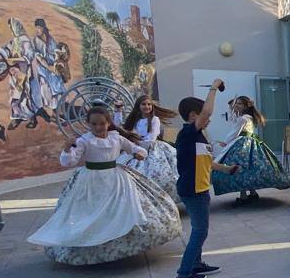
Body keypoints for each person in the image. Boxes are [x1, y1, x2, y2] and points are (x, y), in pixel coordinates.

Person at [27, 105, 181, 265]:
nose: (98, 127)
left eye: (101, 123)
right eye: (94, 124)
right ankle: (92, 245)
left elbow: (134, 147)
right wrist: (67, 149)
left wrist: (139, 153)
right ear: (88, 124)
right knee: (93, 212)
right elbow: (69, 161)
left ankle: (122, 243)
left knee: (123, 208)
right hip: (91, 181)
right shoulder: (84, 141)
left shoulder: (116, 138)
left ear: (108, 123)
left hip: (116, 178)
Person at [174, 81, 240, 278]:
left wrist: (226, 169)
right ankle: (184, 274)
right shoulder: (188, 133)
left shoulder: (198, 138)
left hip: (200, 189)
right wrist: (214, 87)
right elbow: (207, 110)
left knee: (200, 229)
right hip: (192, 190)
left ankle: (197, 264)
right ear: (194, 116)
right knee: (200, 231)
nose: (208, 119)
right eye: (205, 116)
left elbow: (206, 162)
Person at [212, 95, 290, 204]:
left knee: (241, 167)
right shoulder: (249, 117)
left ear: (245, 106)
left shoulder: (243, 118)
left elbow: (234, 132)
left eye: (240, 103)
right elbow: (236, 124)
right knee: (251, 168)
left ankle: (243, 196)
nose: (237, 105)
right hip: (252, 143)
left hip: (242, 144)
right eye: (237, 103)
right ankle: (253, 193)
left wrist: (226, 142)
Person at [115, 95, 181, 202]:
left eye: (149, 104)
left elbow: (151, 137)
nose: (147, 106)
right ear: (138, 106)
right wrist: (118, 111)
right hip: (135, 149)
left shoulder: (155, 120)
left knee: (159, 174)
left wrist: (137, 141)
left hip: (153, 150)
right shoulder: (134, 120)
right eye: (144, 104)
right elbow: (119, 128)